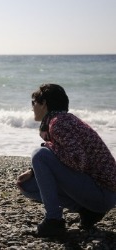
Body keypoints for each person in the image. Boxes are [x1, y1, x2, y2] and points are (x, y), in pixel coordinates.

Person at [17, 83, 116, 237]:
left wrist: (47, 146)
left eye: (33, 103)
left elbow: (77, 160)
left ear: (44, 104)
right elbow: (70, 159)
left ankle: (53, 221)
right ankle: (87, 212)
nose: (32, 108)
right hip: (99, 192)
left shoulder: (59, 123)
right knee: (27, 185)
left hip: (103, 193)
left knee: (39, 154)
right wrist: (33, 170)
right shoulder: (64, 119)